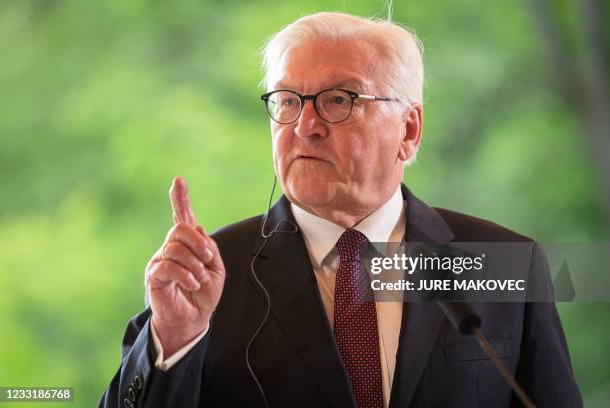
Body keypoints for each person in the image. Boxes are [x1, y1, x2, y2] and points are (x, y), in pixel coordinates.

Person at [100, 12, 582, 408]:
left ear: (409, 130)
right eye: (288, 101)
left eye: (338, 100)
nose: (306, 125)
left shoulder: (502, 261)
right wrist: (173, 340)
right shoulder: (207, 275)